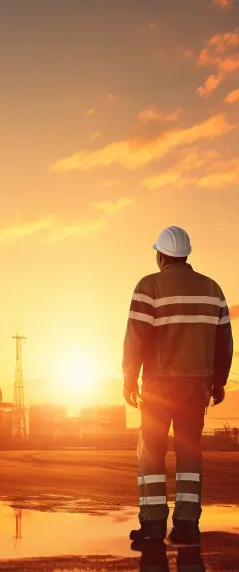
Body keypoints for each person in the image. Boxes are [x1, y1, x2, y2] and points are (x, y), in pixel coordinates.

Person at [123, 226, 233, 545]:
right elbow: (224, 341)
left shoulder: (149, 286)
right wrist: (219, 382)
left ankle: (154, 524)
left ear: (160, 255)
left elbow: (136, 338)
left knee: (152, 454)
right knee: (189, 454)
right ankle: (186, 525)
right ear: (186, 255)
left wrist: (129, 379)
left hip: (158, 386)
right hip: (197, 385)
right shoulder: (212, 289)